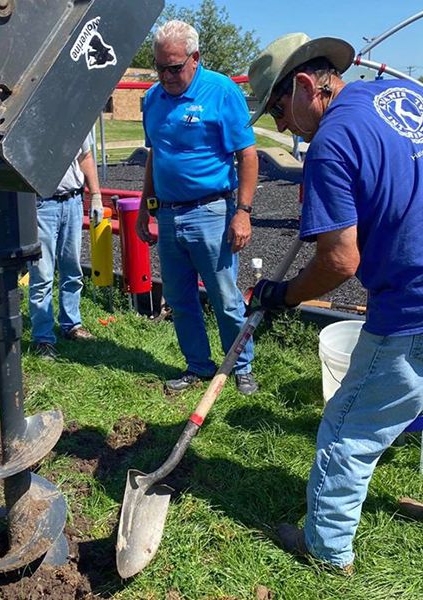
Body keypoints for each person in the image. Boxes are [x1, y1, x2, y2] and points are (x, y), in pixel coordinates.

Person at [247, 33, 423, 572]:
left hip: (414, 305)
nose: (279, 127)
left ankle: (325, 549)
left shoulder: (332, 141)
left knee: (348, 429)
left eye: (277, 109)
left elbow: (339, 262)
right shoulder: (401, 96)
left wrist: (285, 295)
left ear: (305, 85)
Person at [136, 20, 259, 394]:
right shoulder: (154, 99)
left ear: (195, 58)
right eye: (160, 67)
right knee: (179, 296)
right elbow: (154, 157)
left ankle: (240, 366)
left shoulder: (221, 91)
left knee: (224, 295)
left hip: (212, 212)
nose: (167, 76)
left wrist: (243, 211)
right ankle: (198, 366)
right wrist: (145, 209)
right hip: (170, 214)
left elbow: (248, 154)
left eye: (174, 67)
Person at [28, 134, 102, 359]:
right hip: (42, 204)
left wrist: (96, 195)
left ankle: (71, 324)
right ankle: (43, 337)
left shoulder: (77, 115)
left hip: (73, 202)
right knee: (42, 274)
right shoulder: (34, 117)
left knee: (72, 269)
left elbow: (85, 156)